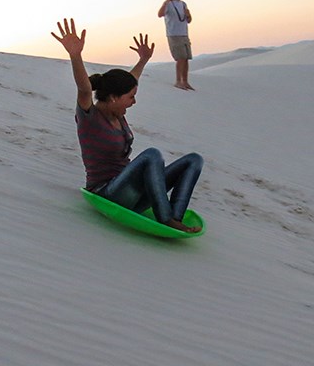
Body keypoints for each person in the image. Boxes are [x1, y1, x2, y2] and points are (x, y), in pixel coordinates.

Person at [51, 18, 204, 233]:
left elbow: (129, 81)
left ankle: (174, 217)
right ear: (113, 98)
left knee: (194, 160)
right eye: (131, 97)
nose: (134, 102)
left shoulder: (118, 112)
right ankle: (166, 219)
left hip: (132, 193)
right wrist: (75, 55)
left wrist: (142, 60)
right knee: (152, 155)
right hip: (107, 193)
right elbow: (84, 89)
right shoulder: (90, 118)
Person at [157, 0, 194, 90]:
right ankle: (178, 81)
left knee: (186, 58)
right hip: (174, 34)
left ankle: (185, 81)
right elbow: (160, 14)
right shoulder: (169, 4)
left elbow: (189, 21)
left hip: (184, 34)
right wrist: (166, 2)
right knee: (180, 58)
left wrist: (188, 14)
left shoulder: (183, 4)